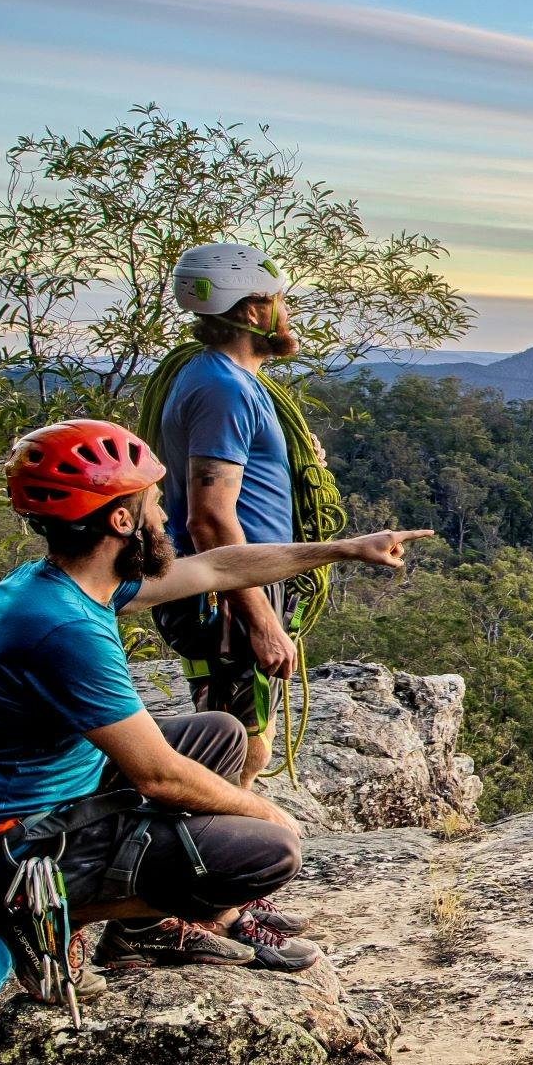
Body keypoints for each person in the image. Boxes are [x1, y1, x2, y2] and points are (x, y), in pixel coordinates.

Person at [0, 418, 430, 971]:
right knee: (270, 851)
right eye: (154, 501)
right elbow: (158, 776)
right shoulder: (65, 628)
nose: (164, 515)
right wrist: (264, 812)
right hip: (12, 850)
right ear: (122, 520)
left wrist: (346, 549)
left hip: (44, 805)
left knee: (220, 734)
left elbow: (216, 566)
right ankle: (40, 917)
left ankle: (144, 931)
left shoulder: (65, 584)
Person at [152, 240, 305, 785]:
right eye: (280, 300)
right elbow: (209, 518)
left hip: (240, 578)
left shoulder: (227, 380)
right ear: (254, 311)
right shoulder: (223, 390)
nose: (287, 311)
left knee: (247, 734)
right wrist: (260, 620)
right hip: (229, 590)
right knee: (239, 745)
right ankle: (218, 832)